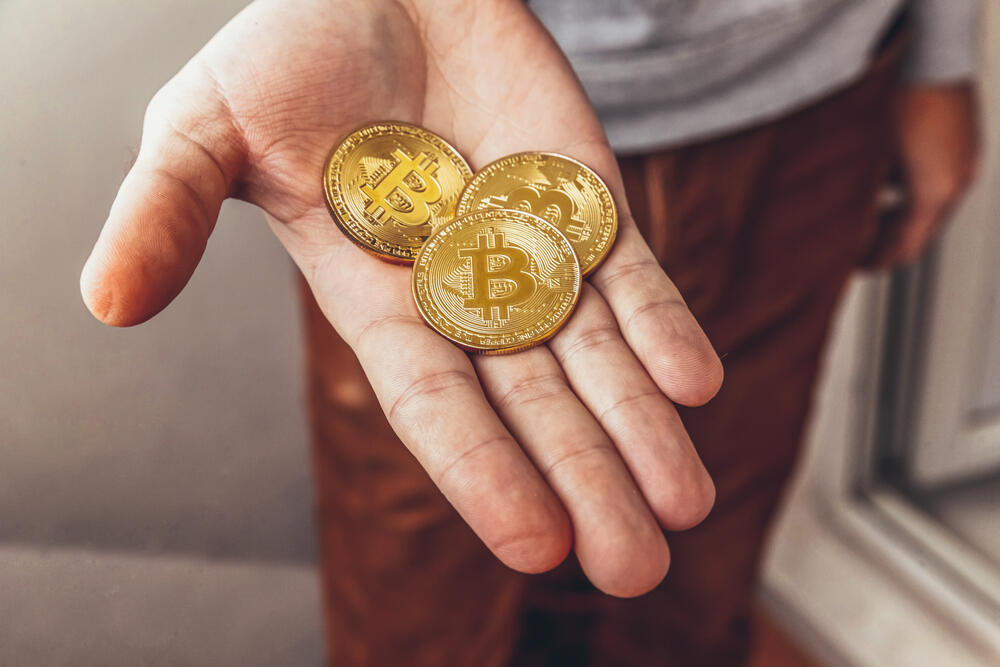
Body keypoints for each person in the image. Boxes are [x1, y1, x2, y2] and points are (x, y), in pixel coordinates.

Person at [80, 0, 981, 664]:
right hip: (434, 84)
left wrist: (940, 52)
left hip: (827, 83)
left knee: (711, 521)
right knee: (423, 568)